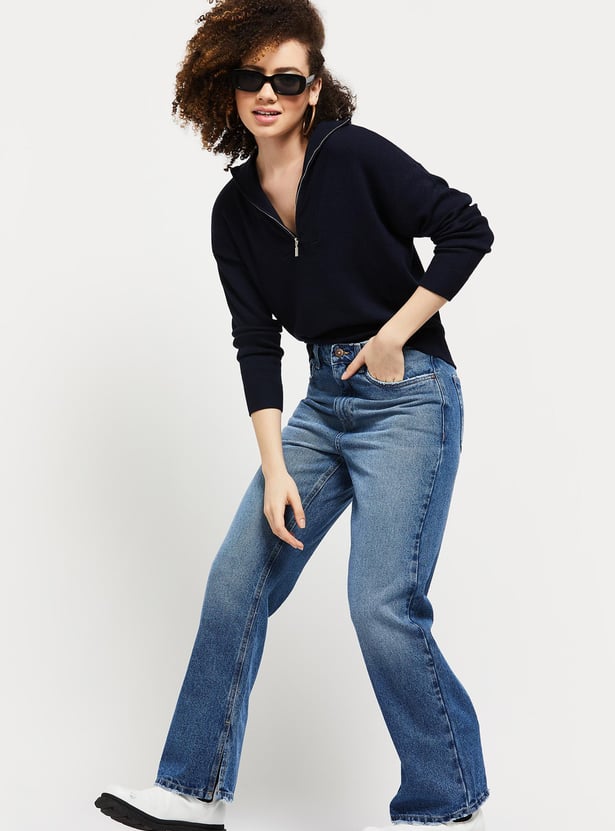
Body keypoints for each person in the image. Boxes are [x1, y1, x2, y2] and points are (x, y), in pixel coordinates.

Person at [95, 1, 494, 829]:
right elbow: (255, 341)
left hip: (407, 396)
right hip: (318, 406)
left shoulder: (354, 155)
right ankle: (192, 790)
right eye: (252, 78)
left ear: (314, 88)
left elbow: (465, 228)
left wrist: (392, 334)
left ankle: (447, 804)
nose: (267, 93)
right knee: (234, 581)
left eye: (286, 79)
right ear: (227, 87)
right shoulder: (233, 210)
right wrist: (276, 466)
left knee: (381, 605)